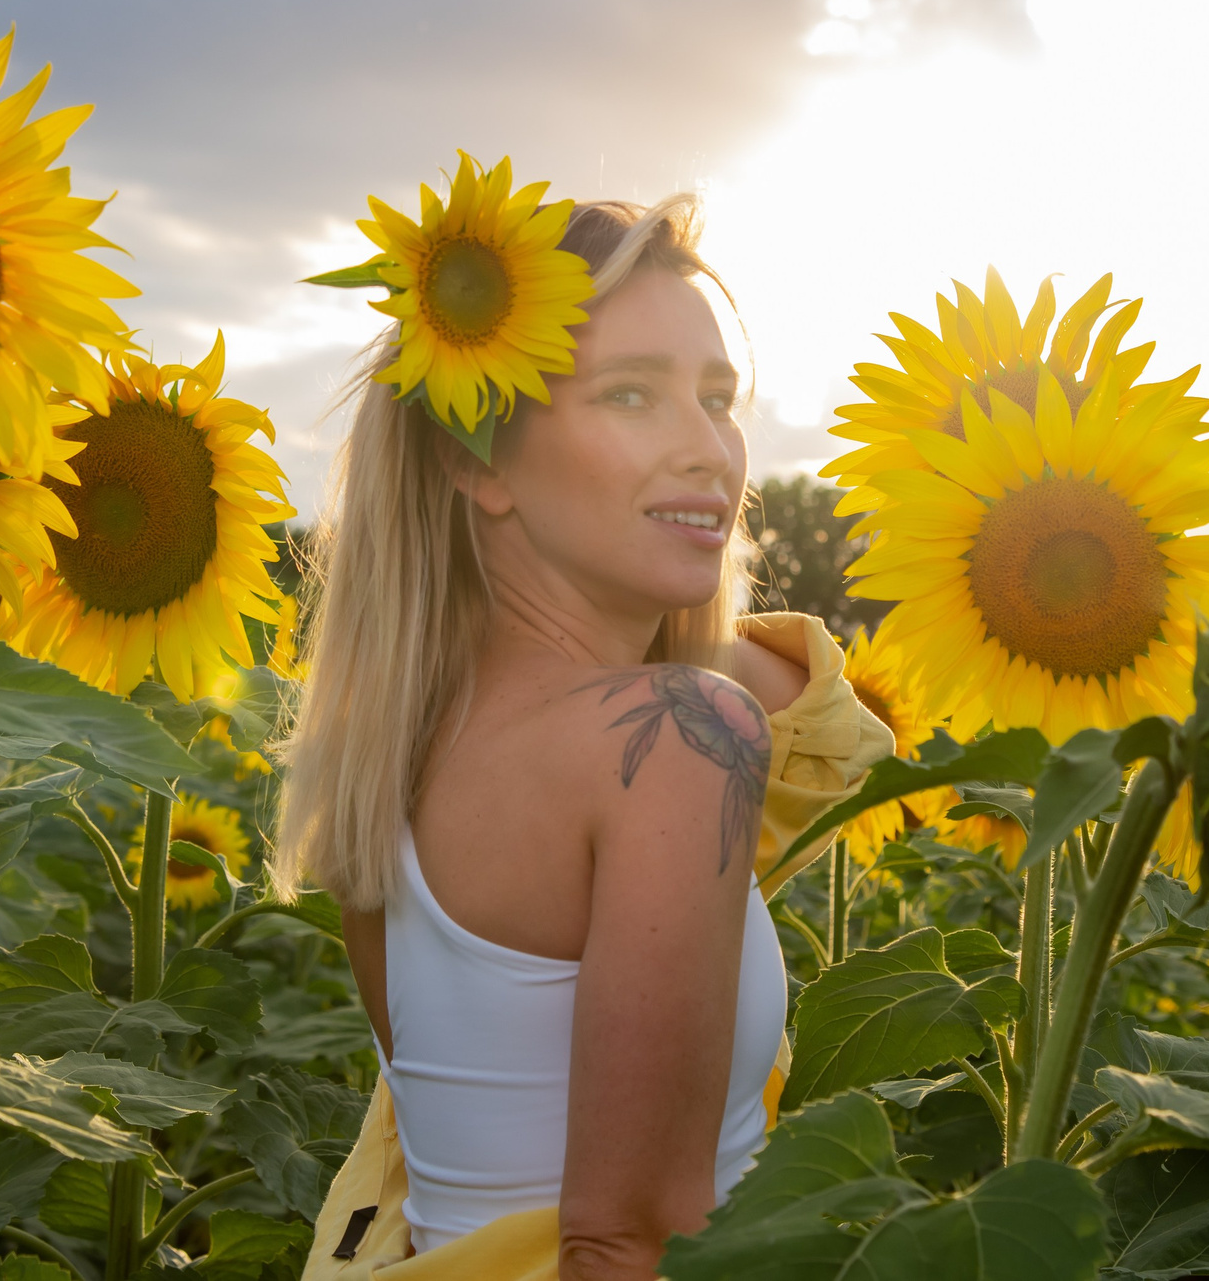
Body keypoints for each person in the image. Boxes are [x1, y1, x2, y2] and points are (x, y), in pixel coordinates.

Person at [274, 194, 890, 1281]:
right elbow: (627, 1246)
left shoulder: (391, 755)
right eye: (630, 394)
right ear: (478, 463)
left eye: (717, 397)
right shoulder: (673, 742)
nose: (709, 451)